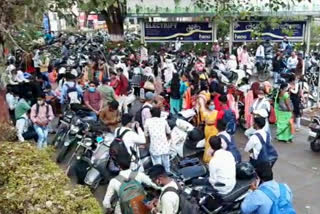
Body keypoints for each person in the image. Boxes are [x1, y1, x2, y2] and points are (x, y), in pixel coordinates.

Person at [144, 107, 171, 173]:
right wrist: (168, 139)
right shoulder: (163, 121)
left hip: (154, 147)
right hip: (164, 146)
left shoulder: (147, 121)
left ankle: (159, 175)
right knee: (166, 162)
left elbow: (146, 135)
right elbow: (168, 132)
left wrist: (146, 144)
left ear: (151, 114)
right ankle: (168, 173)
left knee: (157, 163)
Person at [202, 99, 219, 164]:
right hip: (208, 129)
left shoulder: (216, 112)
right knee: (208, 143)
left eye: (213, 104)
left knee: (214, 142)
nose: (213, 106)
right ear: (208, 105)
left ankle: (213, 157)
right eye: (211, 104)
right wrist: (214, 122)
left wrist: (212, 122)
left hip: (215, 129)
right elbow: (207, 122)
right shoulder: (205, 112)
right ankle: (208, 158)